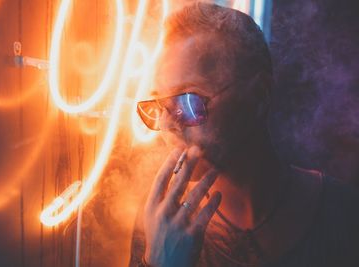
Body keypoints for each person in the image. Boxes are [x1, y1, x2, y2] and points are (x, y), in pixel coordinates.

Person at [128, 2, 359, 267]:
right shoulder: (161, 222)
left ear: (258, 95)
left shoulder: (344, 217)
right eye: (159, 105)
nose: (168, 125)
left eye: (189, 101)